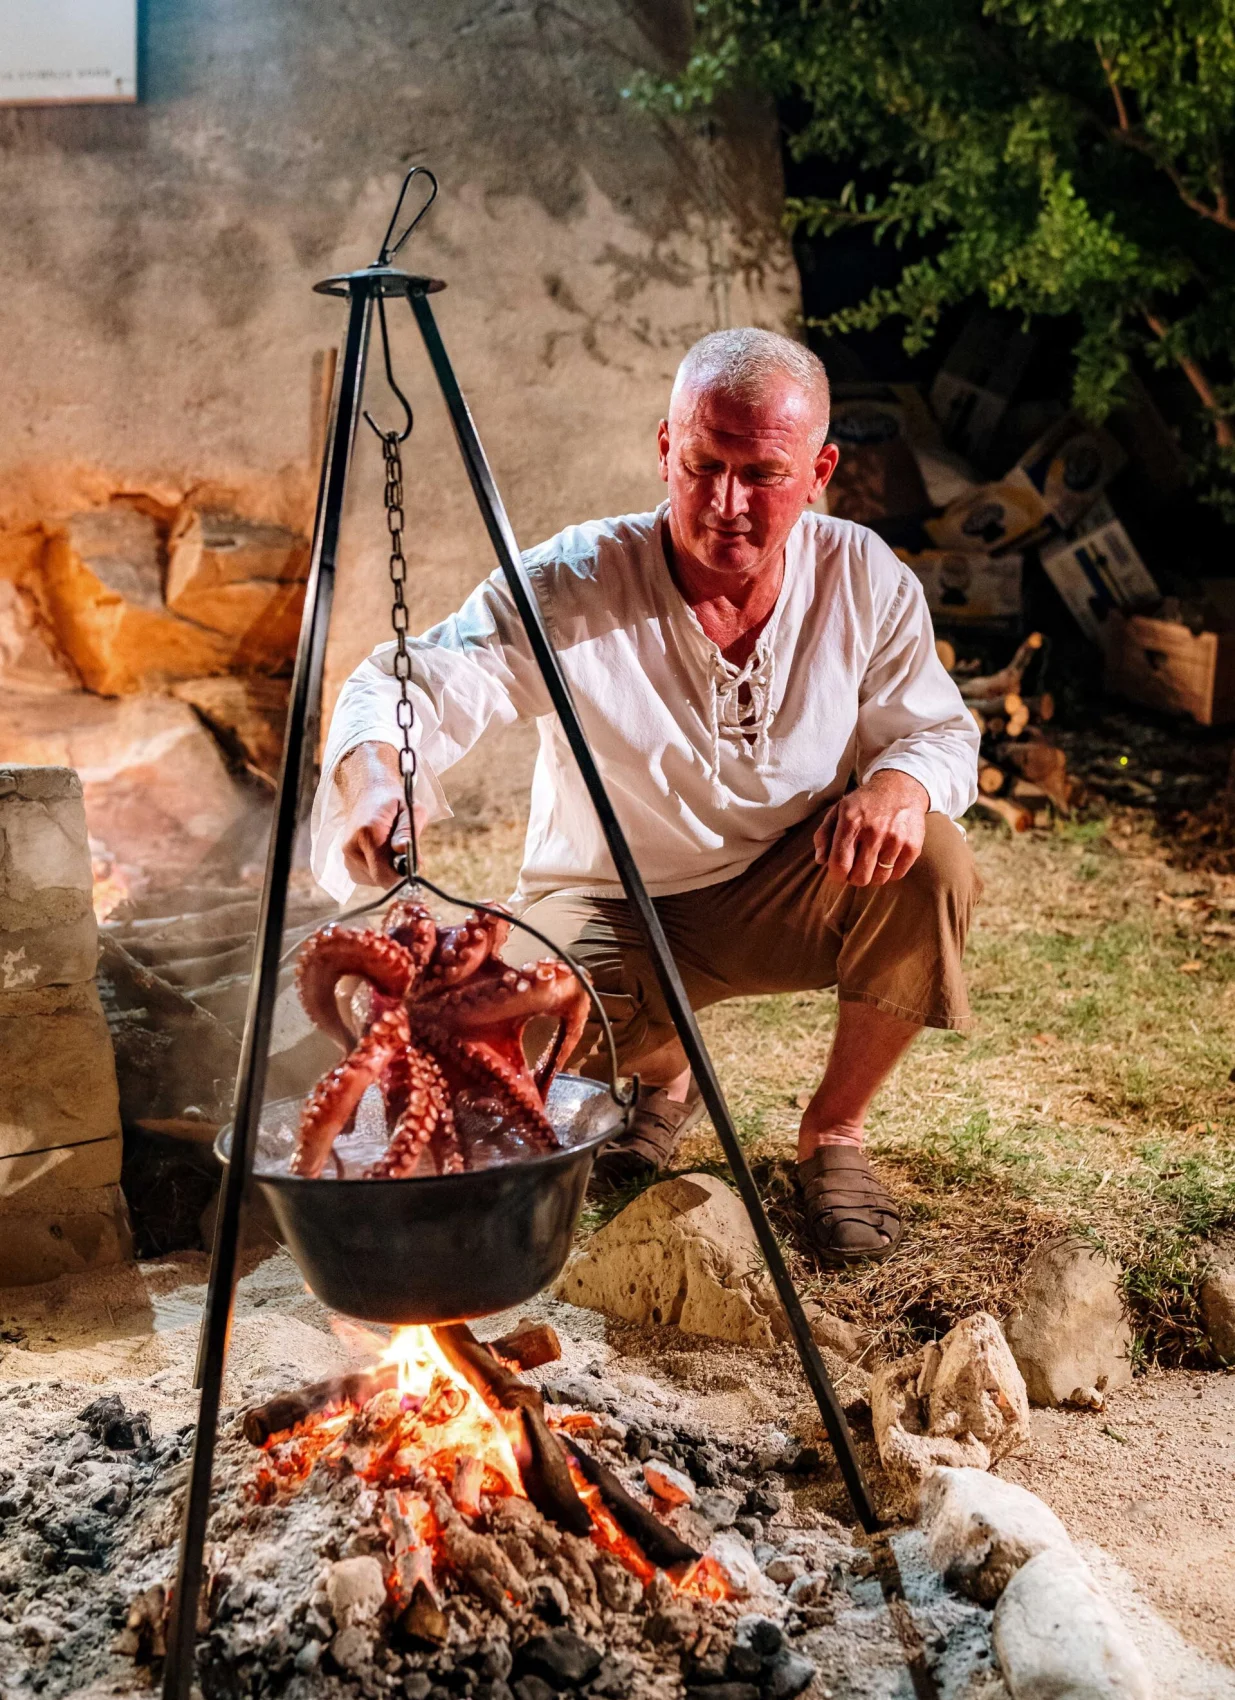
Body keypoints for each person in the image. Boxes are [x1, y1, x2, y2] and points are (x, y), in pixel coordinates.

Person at [312, 328, 982, 1267]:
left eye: (763, 473)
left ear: (820, 469)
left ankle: (833, 1129)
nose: (726, 503)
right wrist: (378, 773)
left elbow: (937, 729)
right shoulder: (573, 580)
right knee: (489, 1032)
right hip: (610, 902)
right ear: (665, 447)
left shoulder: (863, 576)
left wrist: (900, 786)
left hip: (786, 884)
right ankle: (664, 1074)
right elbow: (406, 682)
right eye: (703, 463)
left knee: (934, 862)